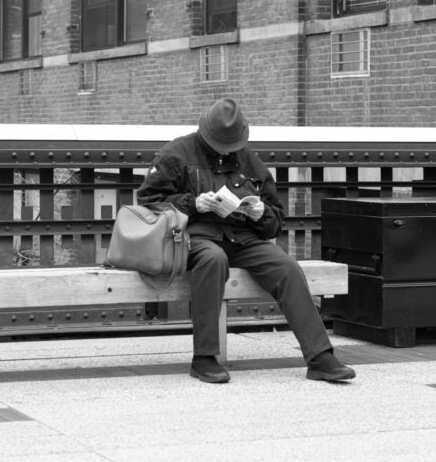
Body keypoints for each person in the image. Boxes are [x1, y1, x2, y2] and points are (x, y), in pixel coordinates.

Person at [137, 97, 355, 384]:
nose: (227, 150)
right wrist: (193, 204)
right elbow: (148, 204)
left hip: (244, 238)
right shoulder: (175, 154)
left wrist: (261, 213)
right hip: (197, 237)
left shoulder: (249, 160)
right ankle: (204, 358)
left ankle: (320, 358)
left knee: (286, 267)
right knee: (213, 259)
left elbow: (276, 222)